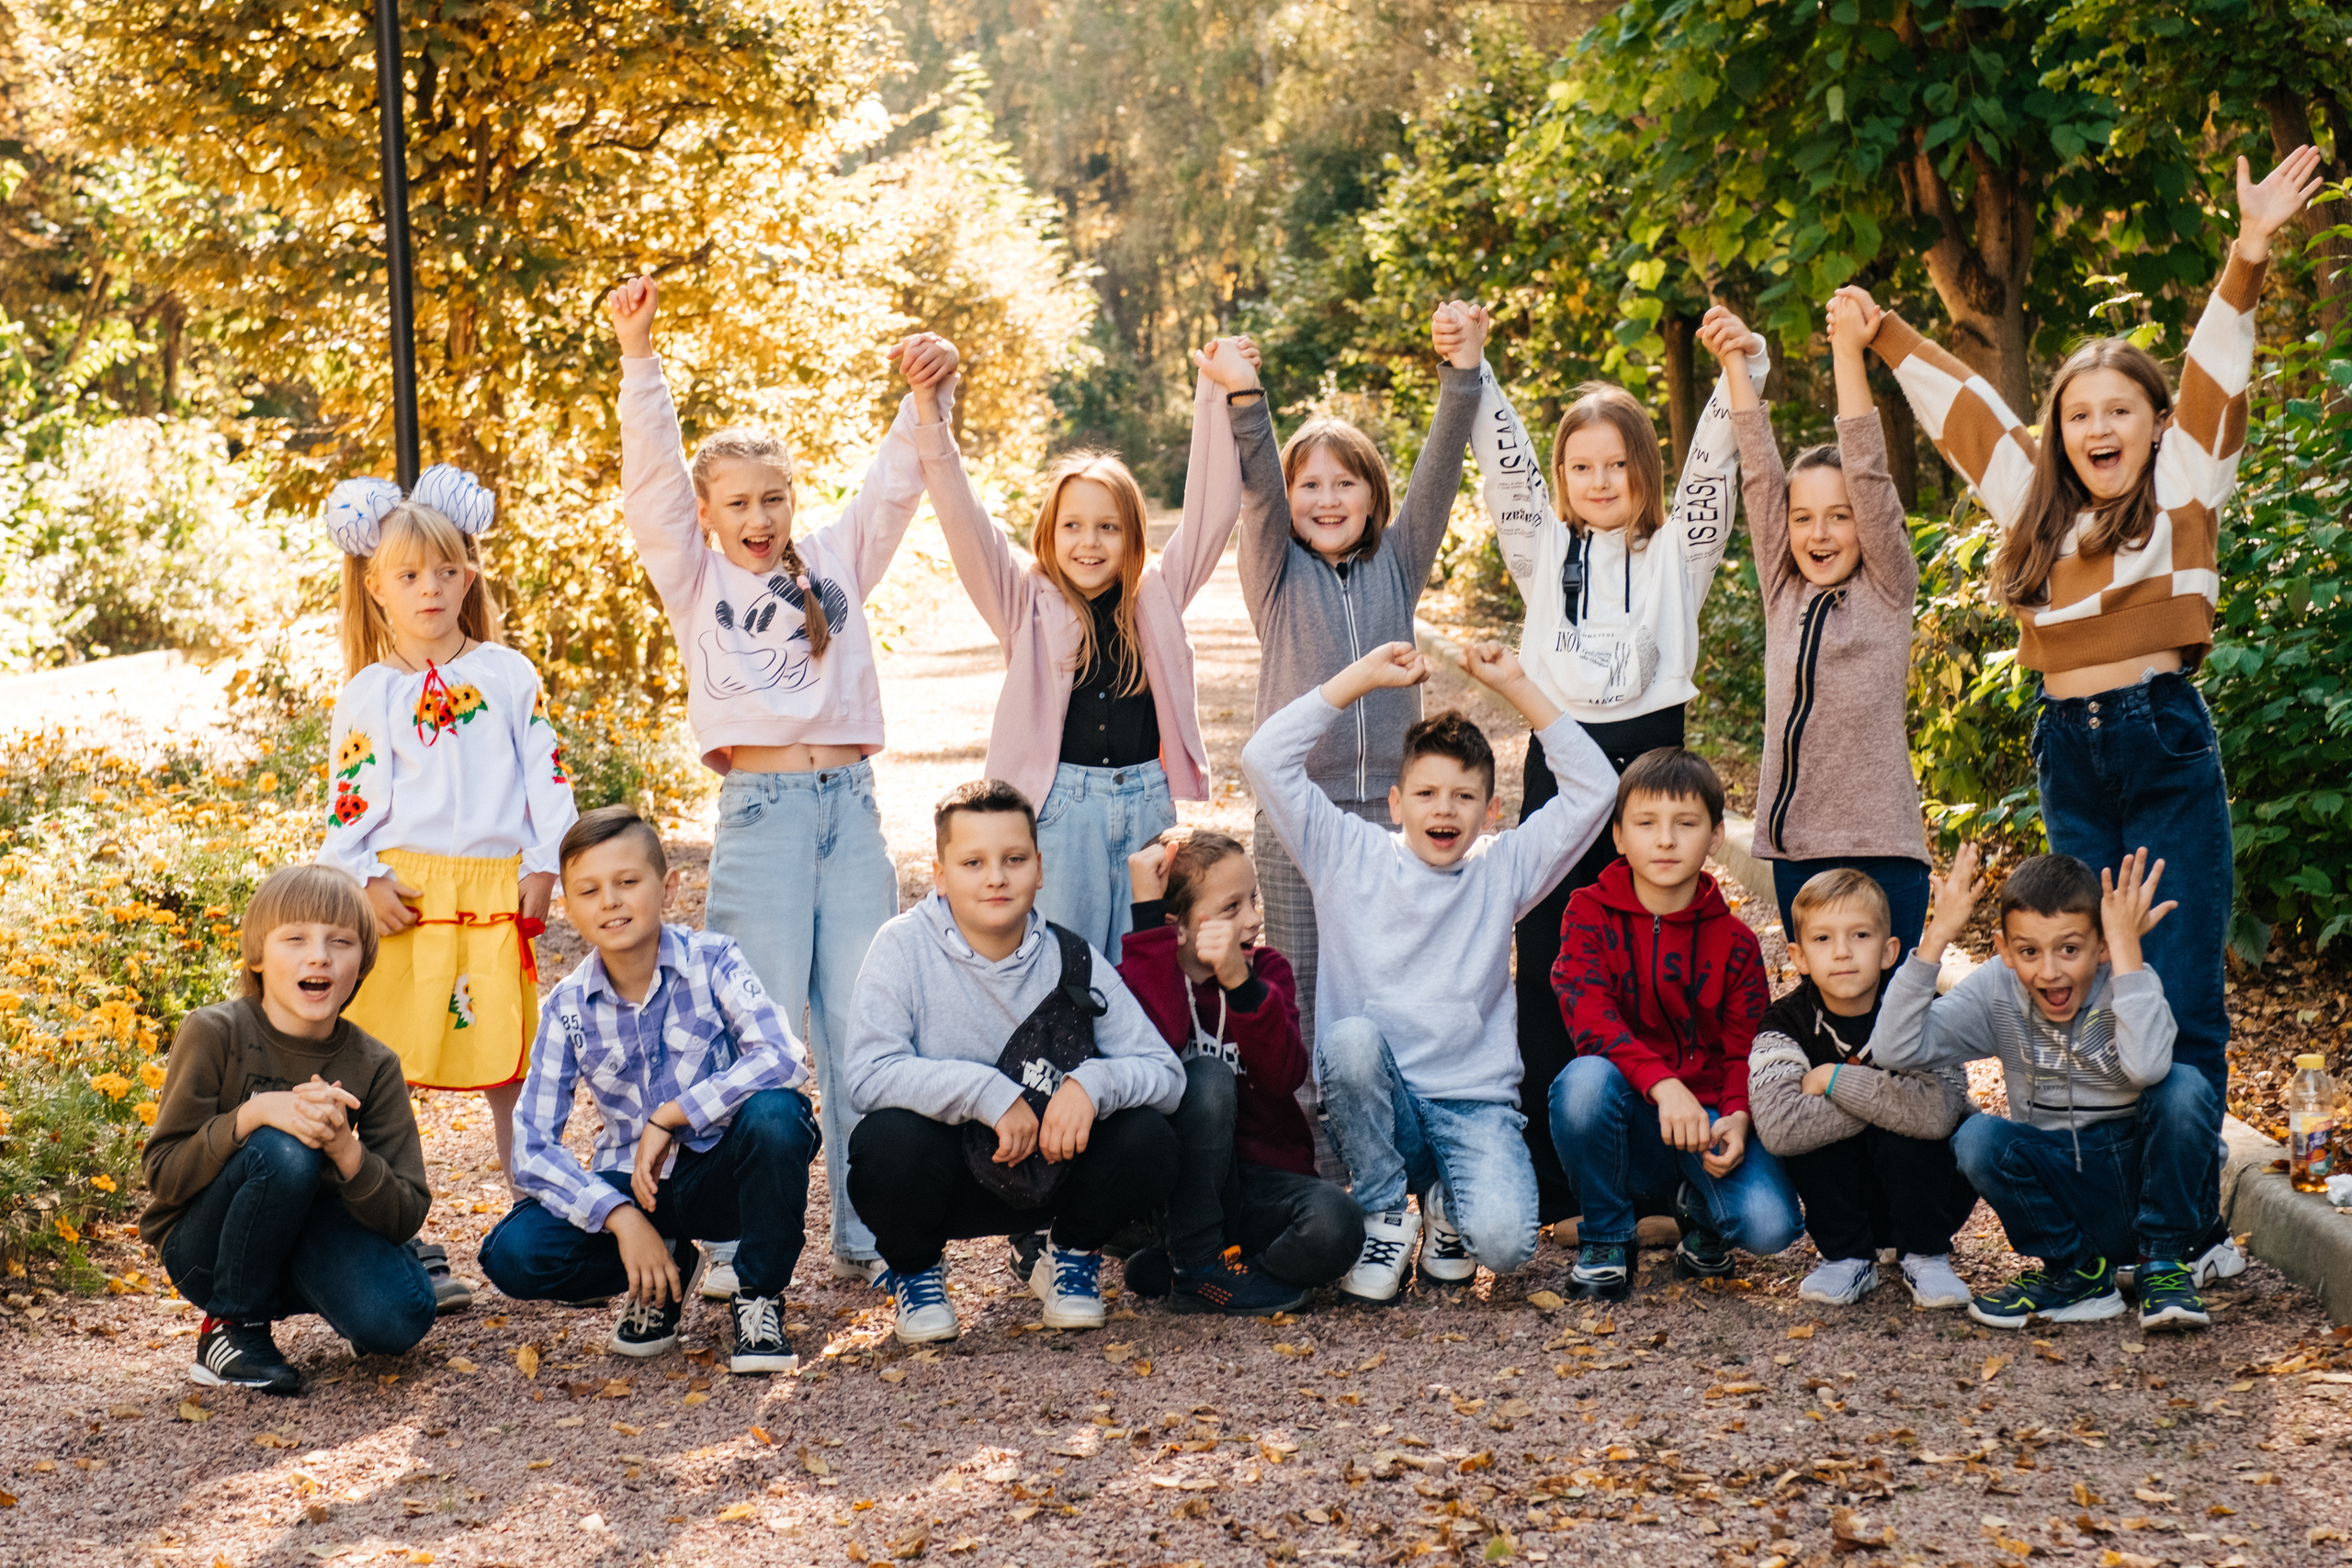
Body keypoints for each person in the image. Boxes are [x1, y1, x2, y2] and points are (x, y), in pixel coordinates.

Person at [1860, 147, 2325, 1290]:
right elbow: (1965, 415)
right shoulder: (2035, 505)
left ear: (2156, 424)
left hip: (2161, 741)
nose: (2096, 427)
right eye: (2078, 413)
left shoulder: (2182, 493)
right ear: (2059, 431)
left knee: (2171, 975)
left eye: (2120, 409)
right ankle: (2109, 1218)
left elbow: (2217, 375)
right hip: (2069, 750)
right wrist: (1884, 335)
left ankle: (2181, 1234)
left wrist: (2248, 251)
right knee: (2076, 967)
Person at [607, 275, 959, 1292]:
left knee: (863, 1021)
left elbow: (895, 482)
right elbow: (652, 485)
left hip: (848, 813)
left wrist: (922, 391)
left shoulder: (835, 559)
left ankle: (872, 1233)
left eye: (773, 498)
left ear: (792, 501)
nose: (758, 517)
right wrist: (640, 356)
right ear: (711, 517)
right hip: (758, 820)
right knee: (747, 1029)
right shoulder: (694, 577)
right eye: (738, 505)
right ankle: (729, 1243)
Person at [1436, 300, 1768, 1230]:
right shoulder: (1541, 554)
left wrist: (1744, 368)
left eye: (1615, 464)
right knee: (1548, 956)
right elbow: (1502, 472)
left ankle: (1662, 1177)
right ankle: (1558, 1182)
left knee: (1661, 960)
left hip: (1653, 762)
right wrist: (1477, 367)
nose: (1597, 479)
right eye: (1579, 467)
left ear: (1641, 472)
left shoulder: (1675, 559)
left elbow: (1715, 471)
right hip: (1562, 758)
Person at [1242, 639, 1614, 1304]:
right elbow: (1265, 757)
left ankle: (1447, 1204)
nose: (1444, 809)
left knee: (1507, 1245)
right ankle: (1388, 1209)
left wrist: (1517, 684)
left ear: (1489, 811)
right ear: (1395, 802)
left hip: (1473, 1105)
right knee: (1350, 1040)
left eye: (1464, 795)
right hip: (1381, 1109)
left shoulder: (1502, 868)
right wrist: (1359, 678)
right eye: (1427, 793)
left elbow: (1596, 787)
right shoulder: (1344, 853)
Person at [316, 461, 578, 1312]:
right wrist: (365, 876)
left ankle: (534, 1214)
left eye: (444, 570)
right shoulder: (369, 694)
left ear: (468, 574)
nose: (429, 588)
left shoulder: (508, 674)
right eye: (408, 575)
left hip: (496, 891)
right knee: (391, 1068)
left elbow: (547, 775)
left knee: (513, 1061)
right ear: (377, 586)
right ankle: (402, 1232)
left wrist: (546, 860)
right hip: (407, 899)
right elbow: (349, 801)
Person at [1227, 310, 1484, 1173]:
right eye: (1312, 485)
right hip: (1299, 817)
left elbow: (1441, 471)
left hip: (1388, 821)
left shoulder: (1400, 561)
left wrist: (1462, 375)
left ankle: (1406, 1163)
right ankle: (1319, 1179)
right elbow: (1258, 483)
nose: (1326, 498)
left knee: (1387, 993)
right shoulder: (1275, 573)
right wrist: (1247, 398)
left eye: (1346, 484)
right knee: (1298, 993)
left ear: (1372, 496)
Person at [928, 339, 1259, 963]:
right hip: (1060, 812)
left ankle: (1147, 1065)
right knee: (1064, 967)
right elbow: (964, 520)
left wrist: (1217, 391)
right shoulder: (1023, 601)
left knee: (1150, 965)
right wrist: (931, 416)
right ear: (1049, 533)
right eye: (1073, 526)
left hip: (1145, 806)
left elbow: (1214, 509)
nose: (1089, 542)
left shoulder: (1156, 594)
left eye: (1107, 526)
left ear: (1131, 535)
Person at [479, 807, 820, 1374]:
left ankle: (758, 1296)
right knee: (511, 1254)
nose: (610, 901)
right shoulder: (567, 1007)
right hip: (636, 1188)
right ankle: (666, 1267)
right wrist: (618, 1215)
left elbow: (782, 1055)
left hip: (720, 1175)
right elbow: (532, 1147)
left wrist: (674, 1115)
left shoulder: (713, 960)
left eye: (627, 882)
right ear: (570, 907)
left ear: (668, 888)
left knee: (778, 1116)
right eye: (588, 890)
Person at [842, 780, 1185, 1344]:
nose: (996, 877)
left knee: (1148, 1135)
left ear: (1040, 868)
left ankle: (1070, 1255)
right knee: (884, 1142)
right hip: (949, 1176)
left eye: (1014, 859)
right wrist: (986, 1093)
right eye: (973, 862)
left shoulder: (1072, 956)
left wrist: (1091, 1083)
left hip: (1056, 1169)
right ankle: (918, 1273)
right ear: (941, 875)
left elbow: (1166, 1074)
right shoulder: (901, 947)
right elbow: (866, 1073)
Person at [1871, 846, 2216, 1332]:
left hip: (2146, 1182)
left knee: (2184, 1086)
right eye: (2029, 951)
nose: (2050, 970)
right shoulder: (1997, 989)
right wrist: (1937, 936)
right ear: (2005, 950)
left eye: (2069, 949)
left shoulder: (2129, 977)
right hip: (2067, 1182)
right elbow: (1893, 1048)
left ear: (2100, 947)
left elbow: (2146, 1069)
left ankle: (2162, 1267)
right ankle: (2078, 1274)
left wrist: (2126, 956)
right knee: (1977, 1137)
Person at [141, 864, 436, 1395]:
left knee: (399, 1320)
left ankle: (355, 1291)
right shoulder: (215, 1032)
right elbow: (164, 1176)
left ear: (362, 963)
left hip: (308, 1237)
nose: (318, 955)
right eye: (295, 938)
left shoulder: (375, 1064)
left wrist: (346, 1148)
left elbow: (407, 1210)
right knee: (284, 1148)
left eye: (340, 941)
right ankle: (233, 1330)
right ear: (257, 955)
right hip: (207, 1249)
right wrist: (254, 1115)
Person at [1698, 296, 1931, 950]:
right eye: (1803, 517)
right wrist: (1738, 362)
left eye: (1839, 515)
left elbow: (1867, 465)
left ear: (1867, 523)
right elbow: (1759, 475)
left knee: (1893, 1029)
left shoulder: (1887, 587)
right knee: (1827, 1011)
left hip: (1882, 849)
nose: (1818, 532)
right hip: (1799, 847)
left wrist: (1847, 350)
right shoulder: (1783, 590)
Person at [1551, 749, 1801, 1301]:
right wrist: (1665, 1087)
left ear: (1714, 837)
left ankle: (1699, 1215)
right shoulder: (1587, 913)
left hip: (1707, 1119)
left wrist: (1737, 1117)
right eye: (1646, 824)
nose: (1665, 840)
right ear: (1618, 836)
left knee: (1771, 1226)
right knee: (1581, 1083)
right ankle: (1608, 1235)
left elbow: (1747, 1050)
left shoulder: (1736, 942)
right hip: (1628, 1114)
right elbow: (1590, 1018)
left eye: (1685, 824)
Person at [1114, 828, 1363, 1314]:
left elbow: (1284, 1076)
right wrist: (1149, 926)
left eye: (1253, 899)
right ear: (1179, 927)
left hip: (1264, 1183)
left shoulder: (1268, 971)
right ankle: (1195, 1262)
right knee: (1205, 1079)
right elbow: (1157, 1042)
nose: (1253, 918)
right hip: (1183, 1190)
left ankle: (1219, 1274)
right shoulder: (1142, 974)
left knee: (1339, 1223)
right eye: (1232, 908)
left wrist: (1239, 984)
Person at [1747, 869, 1973, 1310]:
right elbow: (1778, 1127)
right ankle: (1847, 1257)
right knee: (1820, 1132)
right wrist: (1895, 1095)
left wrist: (1833, 1080)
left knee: (1909, 1129)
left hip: (1929, 1192)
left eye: (1860, 935)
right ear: (1798, 956)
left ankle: (1925, 1254)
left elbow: (1939, 1114)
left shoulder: (1923, 1011)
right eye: (1823, 939)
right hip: (1842, 1198)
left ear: (1889, 951)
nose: (1843, 952)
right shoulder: (1783, 1024)